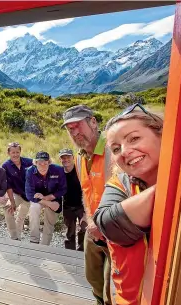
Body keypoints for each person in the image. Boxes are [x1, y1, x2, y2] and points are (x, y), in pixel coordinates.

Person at [93, 104, 164, 305]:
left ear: (162, 135)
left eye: (134, 138)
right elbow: (108, 224)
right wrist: (169, 186)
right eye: (116, 149)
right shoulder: (120, 184)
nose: (125, 151)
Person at [61, 104, 113, 305]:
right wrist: (90, 219)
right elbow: (87, 190)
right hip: (93, 226)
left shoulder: (113, 150)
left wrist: (102, 224)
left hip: (115, 230)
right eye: (69, 129)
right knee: (93, 277)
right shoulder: (80, 156)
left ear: (93, 122)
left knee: (114, 287)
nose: (74, 132)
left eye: (77, 125)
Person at [25, 151, 66, 245]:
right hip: (38, 199)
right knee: (34, 207)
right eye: (40, 163)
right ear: (35, 163)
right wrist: (48, 203)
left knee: (50, 218)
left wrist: (48, 198)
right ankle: (34, 239)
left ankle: (45, 245)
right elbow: (29, 194)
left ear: (49, 162)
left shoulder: (59, 170)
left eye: (45, 163)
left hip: (53, 198)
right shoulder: (30, 171)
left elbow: (63, 189)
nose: (43, 166)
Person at [1, 142, 33, 240]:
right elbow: (8, 185)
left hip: (28, 195)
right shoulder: (6, 166)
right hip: (15, 193)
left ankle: (18, 235)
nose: (15, 154)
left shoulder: (28, 162)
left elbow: (41, 166)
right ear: (9, 153)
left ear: (20, 152)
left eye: (17, 152)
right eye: (13, 152)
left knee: (21, 217)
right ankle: (14, 237)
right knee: (8, 208)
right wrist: (12, 201)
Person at [59, 148, 86, 251]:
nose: (66, 160)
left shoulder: (80, 171)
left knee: (84, 229)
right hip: (67, 206)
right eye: (63, 158)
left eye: (68, 157)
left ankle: (82, 252)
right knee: (70, 231)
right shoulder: (60, 172)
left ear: (73, 158)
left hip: (81, 205)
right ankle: (69, 254)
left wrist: (86, 211)